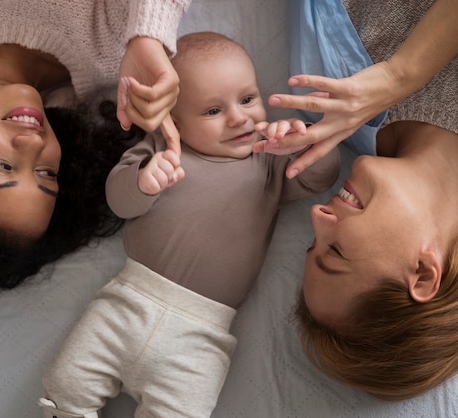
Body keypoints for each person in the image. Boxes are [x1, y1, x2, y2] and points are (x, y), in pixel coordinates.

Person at [38, 31, 340, 418]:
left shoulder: (268, 160)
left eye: (248, 99)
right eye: (213, 111)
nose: (239, 117)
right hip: (125, 306)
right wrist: (143, 181)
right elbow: (118, 200)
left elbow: (320, 177)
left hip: (202, 335)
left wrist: (302, 144)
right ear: (173, 124)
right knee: (66, 383)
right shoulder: (161, 151)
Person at [253, 0, 458, 401]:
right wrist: (398, 75)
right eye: (336, 251)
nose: (317, 214)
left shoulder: (323, 89)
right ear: (424, 273)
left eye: (312, 243)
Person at [0, 0, 190, 294]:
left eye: (0, 166)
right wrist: (150, 36)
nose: (34, 143)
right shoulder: (114, 49)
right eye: (47, 172)